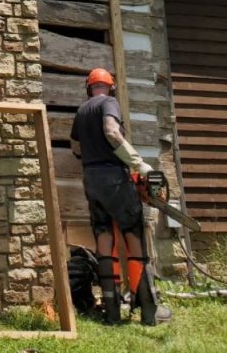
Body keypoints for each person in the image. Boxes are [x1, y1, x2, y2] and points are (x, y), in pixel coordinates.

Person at [70, 67, 161, 325]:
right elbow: (111, 131)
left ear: (89, 87)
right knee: (134, 236)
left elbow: (75, 145)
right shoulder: (109, 103)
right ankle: (147, 311)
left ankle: (111, 313)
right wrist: (138, 164)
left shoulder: (81, 110)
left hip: (91, 178)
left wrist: (90, 156)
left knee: (103, 239)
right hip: (114, 176)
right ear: (111, 86)